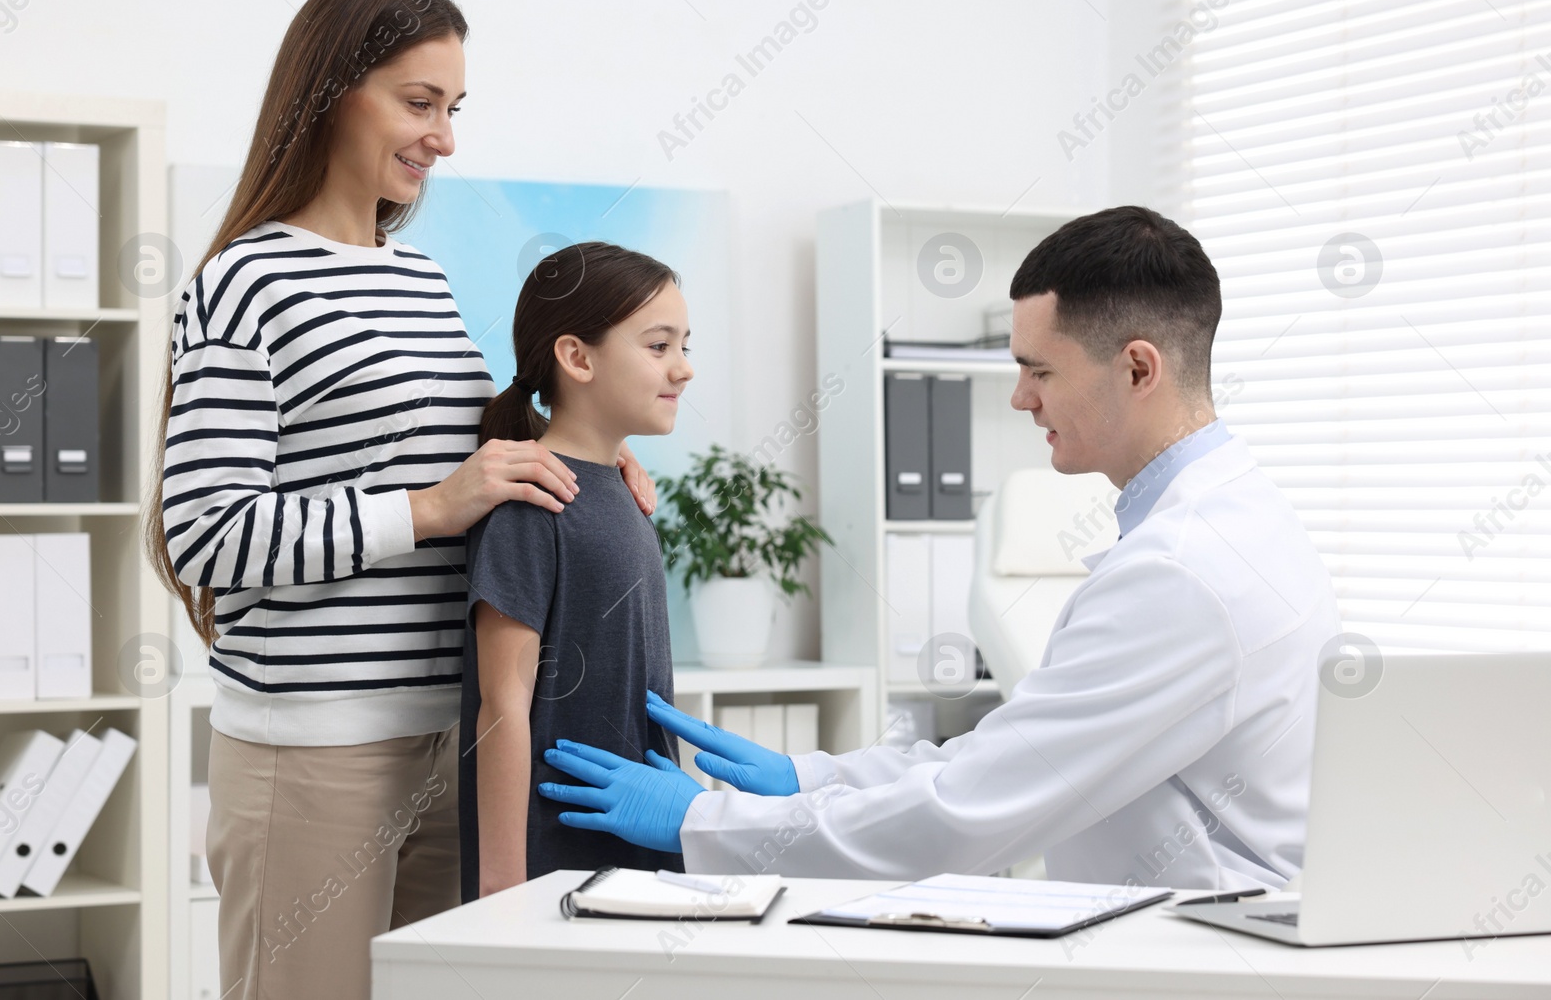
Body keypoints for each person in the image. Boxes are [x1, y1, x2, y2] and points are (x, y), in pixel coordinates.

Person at [538, 205, 1341, 891]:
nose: (1021, 397)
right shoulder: (1235, 516)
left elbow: (967, 811)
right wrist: (806, 777)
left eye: (1039, 370)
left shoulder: (1181, 572)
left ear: (1137, 368)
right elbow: (1006, 755)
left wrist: (705, 818)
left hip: (1195, 952)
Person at [146, 0, 658, 1000]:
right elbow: (205, 531)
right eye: (420, 104)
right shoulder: (247, 280)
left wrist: (587, 450)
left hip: (450, 734)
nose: (444, 137)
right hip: (316, 753)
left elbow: (453, 447)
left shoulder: (413, 274)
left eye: (453, 108)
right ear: (334, 91)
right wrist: (429, 509)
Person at [460, 242, 695, 902]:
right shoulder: (531, 502)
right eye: (658, 346)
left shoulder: (625, 488)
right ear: (576, 356)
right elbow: (503, 704)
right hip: (551, 876)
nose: (684, 368)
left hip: (636, 863)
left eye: (685, 345)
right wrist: (501, 894)